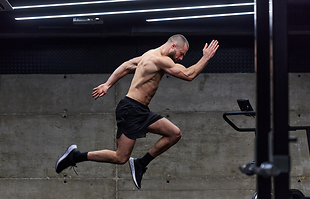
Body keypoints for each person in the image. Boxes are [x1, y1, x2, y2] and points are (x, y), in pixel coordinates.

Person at [55, 34, 219, 189]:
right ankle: (75, 156)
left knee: (174, 133)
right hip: (131, 110)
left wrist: (107, 84)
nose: (181, 58)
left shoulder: (149, 55)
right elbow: (188, 74)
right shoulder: (159, 59)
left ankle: (140, 163)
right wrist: (206, 57)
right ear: (173, 45)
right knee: (120, 157)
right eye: (181, 54)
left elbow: (127, 66)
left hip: (140, 110)